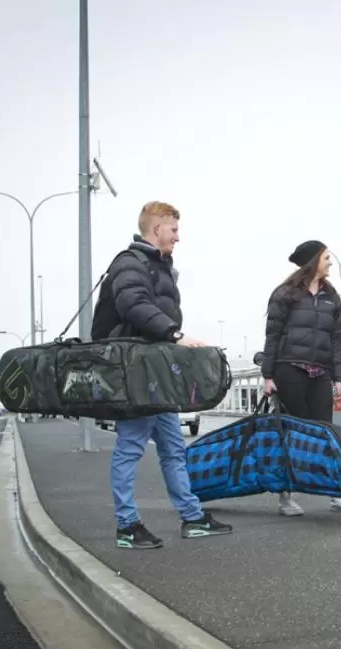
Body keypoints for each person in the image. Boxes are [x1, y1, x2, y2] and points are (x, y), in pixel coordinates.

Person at [97, 201, 233, 549]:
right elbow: (133, 305)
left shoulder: (159, 267)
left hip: (155, 370)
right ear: (155, 229)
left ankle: (192, 517)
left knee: (173, 449)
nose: (178, 237)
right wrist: (175, 335)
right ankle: (127, 526)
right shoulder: (130, 262)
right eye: (173, 230)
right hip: (136, 372)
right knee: (130, 447)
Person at [261, 240, 341, 516]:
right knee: (293, 433)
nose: (330, 262)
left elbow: (335, 340)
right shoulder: (286, 294)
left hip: (321, 373)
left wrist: (338, 377)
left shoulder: (332, 296)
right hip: (289, 370)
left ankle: (337, 494)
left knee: (325, 433)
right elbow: (272, 335)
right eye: (326, 257)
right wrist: (268, 375)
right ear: (313, 260)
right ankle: (287, 496)